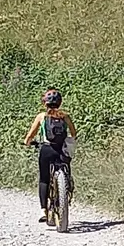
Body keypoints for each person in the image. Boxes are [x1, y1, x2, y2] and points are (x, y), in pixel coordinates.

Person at [23, 89, 76, 219]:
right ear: (60, 103)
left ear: (45, 103)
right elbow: (74, 134)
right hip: (61, 151)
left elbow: (30, 136)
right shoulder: (65, 116)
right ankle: (65, 190)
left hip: (46, 149)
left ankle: (43, 211)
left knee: (44, 179)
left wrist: (27, 142)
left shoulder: (42, 117)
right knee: (66, 171)